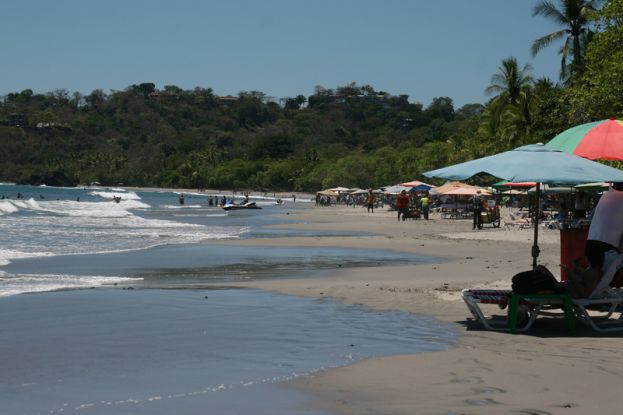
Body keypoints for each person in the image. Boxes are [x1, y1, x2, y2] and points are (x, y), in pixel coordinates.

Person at [567, 183, 623, 298]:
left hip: (592, 244)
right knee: (599, 274)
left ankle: (588, 285)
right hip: (606, 247)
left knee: (597, 272)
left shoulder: (606, 196)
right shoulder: (615, 197)